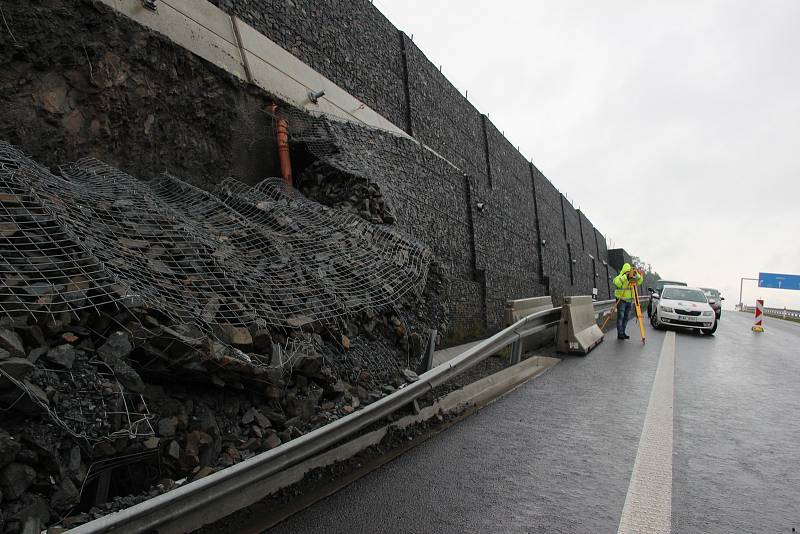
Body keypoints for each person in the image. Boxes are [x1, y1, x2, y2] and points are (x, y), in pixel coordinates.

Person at [613, 263, 643, 340]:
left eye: (629, 272)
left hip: (629, 301)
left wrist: (637, 274)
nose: (629, 273)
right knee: (621, 317)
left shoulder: (633, 278)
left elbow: (640, 281)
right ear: (624, 271)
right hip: (621, 300)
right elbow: (617, 283)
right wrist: (626, 277)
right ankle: (620, 333)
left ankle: (623, 332)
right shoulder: (620, 277)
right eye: (627, 272)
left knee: (626, 317)